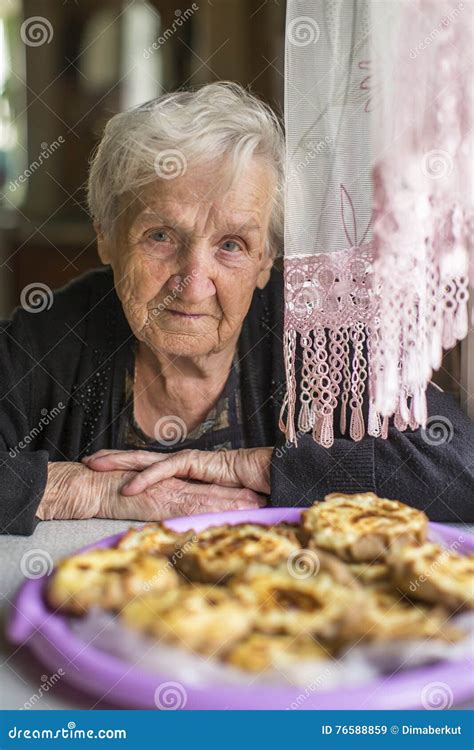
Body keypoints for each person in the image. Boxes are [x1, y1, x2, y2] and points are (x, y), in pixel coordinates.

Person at [1, 82, 472, 536]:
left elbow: (459, 465)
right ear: (106, 235)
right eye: (161, 235)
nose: (192, 284)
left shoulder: (314, 332)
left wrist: (259, 465)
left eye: (231, 244)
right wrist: (84, 491)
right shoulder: (51, 337)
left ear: (267, 259)